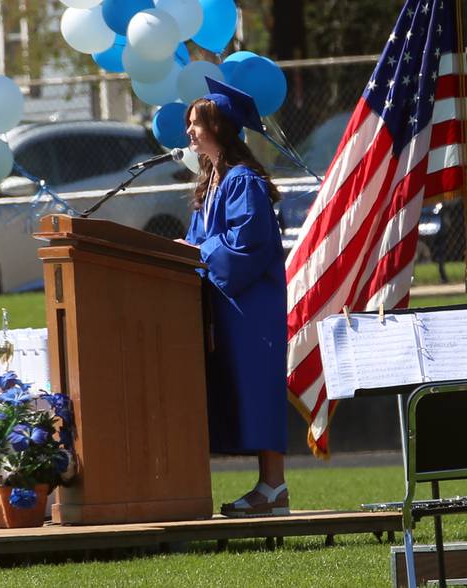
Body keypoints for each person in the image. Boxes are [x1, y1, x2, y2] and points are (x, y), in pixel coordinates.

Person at [175, 89, 289, 517]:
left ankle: (274, 488)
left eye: (197, 123)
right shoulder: (213, 179)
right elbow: (203, 239)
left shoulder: (242, 179)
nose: (189, 130)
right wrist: (188, 247)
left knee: (257, 388)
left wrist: (196, 251)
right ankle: (268, 490)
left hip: (251, 305)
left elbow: (248, 242)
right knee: (240, 390)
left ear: (218, 128)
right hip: (226, 302)